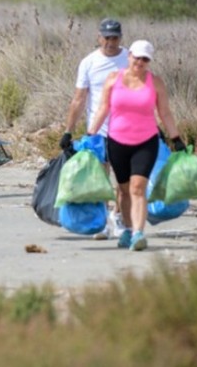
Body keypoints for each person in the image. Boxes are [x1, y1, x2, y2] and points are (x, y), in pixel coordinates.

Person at [86, 39, 186, 251]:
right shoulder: (113, 79)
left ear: (149, 61)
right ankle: (129, 230)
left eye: (145, 59)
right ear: (129, 55)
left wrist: (176, 138)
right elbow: (103, 109)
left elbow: (165, 112)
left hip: (146, 142)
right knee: (123, 190)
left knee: (138, 188)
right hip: (117, 142)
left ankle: (139, 233)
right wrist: (90, 135)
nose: (140, 62)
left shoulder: (155, 82)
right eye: (137, 57)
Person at [59, 18, 128, 240]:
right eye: (106, 37)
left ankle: (118, 218)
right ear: (99, 37)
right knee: (99, 179)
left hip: (126, 130)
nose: (110, 42)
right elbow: (79, 99)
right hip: (97, 131)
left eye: (114, 37)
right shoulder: (89, 62)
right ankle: (102, 223)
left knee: (122, 180)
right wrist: (68, 131)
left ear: (120, 37)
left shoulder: (129, 59)